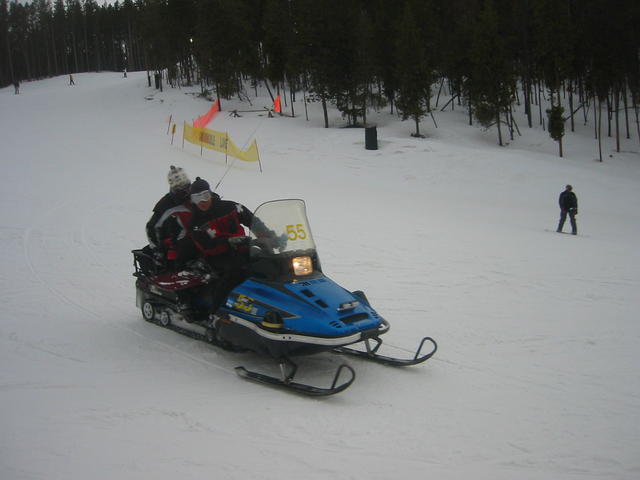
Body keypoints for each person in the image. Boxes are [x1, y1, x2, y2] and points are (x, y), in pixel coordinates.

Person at [186, 177, 255, 313]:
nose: (202, 201)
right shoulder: (195, 222)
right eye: (197, 198)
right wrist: (228, 242)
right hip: (216, 256)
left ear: (210, 194)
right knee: (235, 272)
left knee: (264, 261)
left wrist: (271, 236)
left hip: (242, 248)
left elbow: (252, 220)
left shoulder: (230, 207)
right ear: (192, 200)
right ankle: (216, 312)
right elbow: (206, 246)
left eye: (205, 196)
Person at [145, 166, 191, 264]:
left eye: (186, 185)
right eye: (179, 186)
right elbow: (151, 227)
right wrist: (158, 250)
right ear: (173, 186)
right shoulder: (166, 204)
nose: (185, 190)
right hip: (176, 246)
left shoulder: (193, 195)